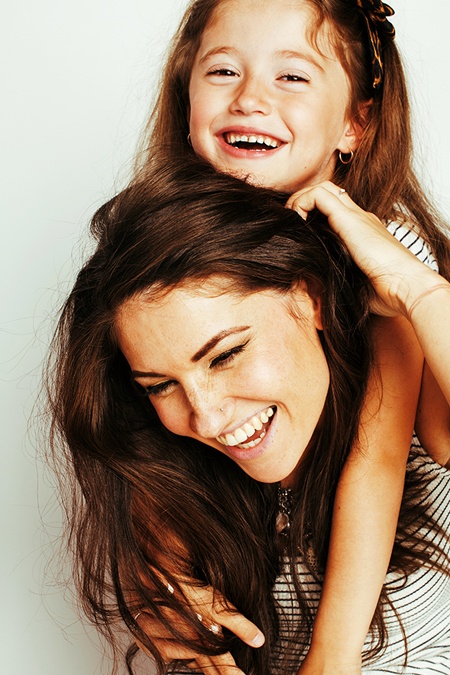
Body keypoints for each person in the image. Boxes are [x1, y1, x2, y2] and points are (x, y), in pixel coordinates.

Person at [131, 0, 450, 670]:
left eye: (292, 77)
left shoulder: (383, 252)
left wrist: (328, 663)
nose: (250, 97)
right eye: (222, 70)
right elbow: (152, 439)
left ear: (356, 123)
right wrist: (158, 571)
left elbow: (377, 460)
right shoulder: (167, 255)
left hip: (392, 640)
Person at [47, 161, 450, 675]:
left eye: (225, 355)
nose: (208, 418)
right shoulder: (169, 475)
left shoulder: (414, 371)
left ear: (312, 298)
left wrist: (421, 291)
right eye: (161, 385)